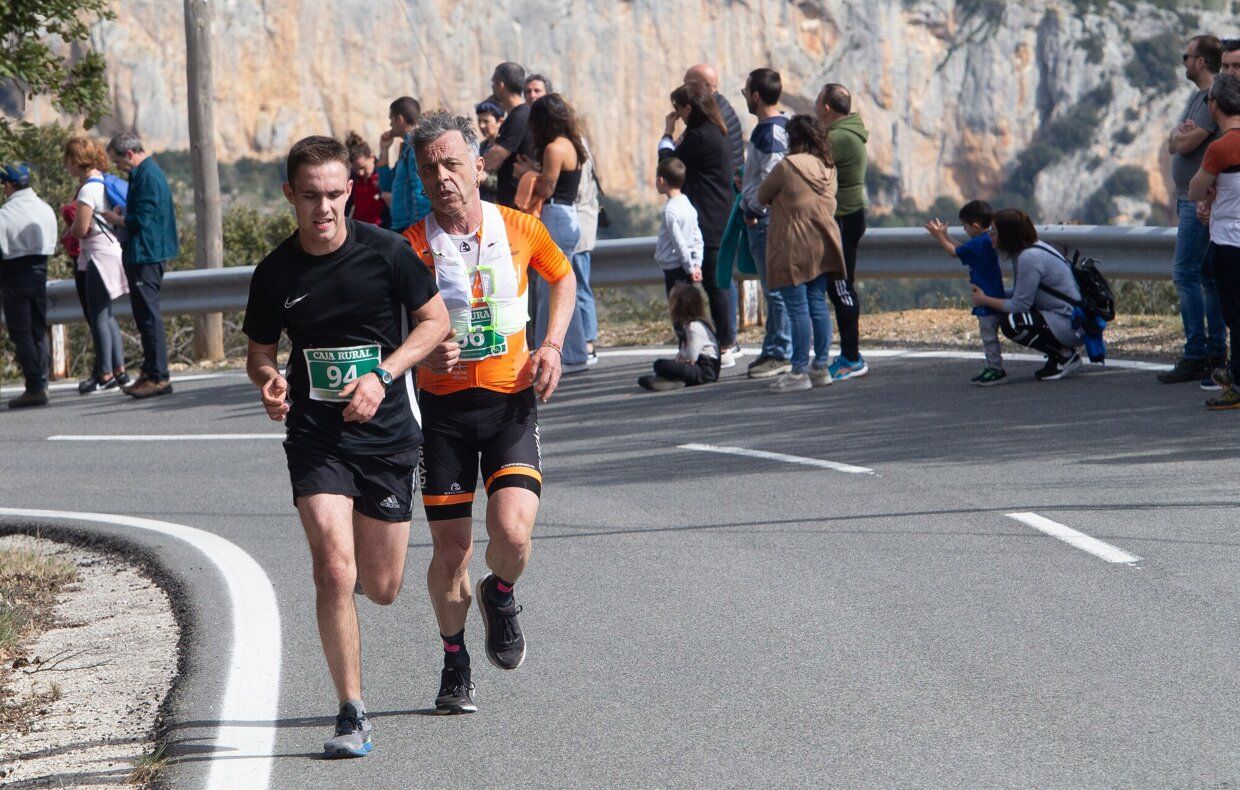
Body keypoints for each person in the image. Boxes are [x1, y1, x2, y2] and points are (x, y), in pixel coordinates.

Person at [243, 135, 450, 757]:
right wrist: (270, 380)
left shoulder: (388, 253)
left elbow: (435, 322)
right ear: (290, 197)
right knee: (334, 569)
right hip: (315, 435)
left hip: (385, 434)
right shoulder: (276, 271)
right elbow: (258, 352)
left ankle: (358, 586)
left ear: (350, 193)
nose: (325, 208)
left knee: (381, 586)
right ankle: (351, 713)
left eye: (335, 194)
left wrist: (384, 374)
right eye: (311, 196)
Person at [401, 112, 576, 716]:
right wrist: (425, 343)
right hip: (443, 414)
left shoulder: (521, 227)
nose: (443, 177)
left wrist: (551, 344)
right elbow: (389, 326)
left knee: (513, 533)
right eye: (430, 169)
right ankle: (455, 662)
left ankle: (500, 596)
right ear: (421, 180)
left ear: (480, 166)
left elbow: (564, 277)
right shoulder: (411, 247)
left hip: (510, 405)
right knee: (451, 553)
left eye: (452, 163)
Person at [756, 114, 847, 393]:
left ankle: (798, 372)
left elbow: (761, 195)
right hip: (824, 240)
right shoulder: (828, 168)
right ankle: (820, 367)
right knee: (817, 302)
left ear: (793, 139)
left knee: (797, 308)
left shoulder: (787, 166)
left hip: (793, 240)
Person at [1160, 35, 1228, 385]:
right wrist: (1177, 136)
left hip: (1197, 199)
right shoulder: (1198, 97)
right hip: (1189, 196)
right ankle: (1213, 350)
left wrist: (1179, 137)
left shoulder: (1211, 97)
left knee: (1185, 274)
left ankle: (1197, 353)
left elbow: (1184, 141)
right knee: (1205, 277)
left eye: (1186, 56)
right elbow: (1175, 140)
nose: (1183, 62)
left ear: (1200, 61)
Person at [659, 83, 737, 363]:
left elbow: (668, 166)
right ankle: (723, 342)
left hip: (706, 218)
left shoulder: (700, 136)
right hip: (718, 214)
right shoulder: (716, 129)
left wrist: (668, 133)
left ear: (689, 108)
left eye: (678, 109)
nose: (676, 114)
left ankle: (725, 344)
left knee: (711, 285)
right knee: (717, 284)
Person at [516, 93, 590, 374]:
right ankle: (576, 352)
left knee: (551, 290)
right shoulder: (572, 145)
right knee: (564, 286)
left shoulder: (553, 149)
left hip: (554, 215)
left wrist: (527, 173)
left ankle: (560, 354)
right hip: (568, 214)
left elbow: (546, 189)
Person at [104, 132, 179, 399]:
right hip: (144, 252)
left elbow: (144, 219)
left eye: (119, 162)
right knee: (143, 316)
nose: (119, 168)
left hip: (147, 254)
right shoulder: (144, 173)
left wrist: (117, 218)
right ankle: (150, 371)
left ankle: (159, 376)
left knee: (148, 316)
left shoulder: (147, 175)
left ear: (130, 154)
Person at [970, 208, 1084, 381]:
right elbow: (1020, 293)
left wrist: (985, 299)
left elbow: (1019, 305)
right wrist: (991, 296)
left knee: (1012, 323)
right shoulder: (1029, 250)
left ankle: (1064, 355)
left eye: (994, 231)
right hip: (1069, 318)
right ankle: (1061, 353)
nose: (990, 235)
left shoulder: (1029, 258)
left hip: (1070, 324)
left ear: (1008, 235)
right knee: (1010, 315)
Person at [1188, 72, 1240, 409]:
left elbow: (1194, 189)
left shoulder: (1221, 147)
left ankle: (1237, 383)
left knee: (1235, 316)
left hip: (1229, 241)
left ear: (1213, 105)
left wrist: (1209, 193)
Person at [63, 136, 131, 394]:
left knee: (98, 315)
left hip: (98, 256)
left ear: (76, 160)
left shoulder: (87, 189)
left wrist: (71, 227)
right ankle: (119, 370)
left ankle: (105, 373)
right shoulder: (103, 181)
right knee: (107, 314)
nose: (66, 166)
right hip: (111, 251)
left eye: (68, 161)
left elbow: (80, 230)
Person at [738, 68, 792, 380]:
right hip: (768, 215)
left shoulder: (769, 133)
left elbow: (774, 176)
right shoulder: (783, 125)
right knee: (774, 287)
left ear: (757, 95)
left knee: (775, 288)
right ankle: (773, 347)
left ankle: (779, 351)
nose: (745, 96)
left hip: (765, 219)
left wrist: (753, 207)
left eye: (746, 91)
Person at [816, 83, 870, 383]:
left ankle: (851, 357)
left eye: (817, 102)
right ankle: (850, 354)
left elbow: (810, 165)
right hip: (850, 215)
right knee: (842, 284)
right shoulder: (852, 132)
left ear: (826, 107)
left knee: (840, 286)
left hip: (842, 216)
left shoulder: (837, 137)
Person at [925, 200, 1007, 386]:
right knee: (988, 335)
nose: (964, 229)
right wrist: (946, 235)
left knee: (988, 336)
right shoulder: (983, 241)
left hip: (987, 299)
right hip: (989, 296)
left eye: (965, 226)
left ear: (975, 226)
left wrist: (939, 237)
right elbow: (962, 249)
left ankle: (996, 369)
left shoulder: (980, 243)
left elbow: (954, 253)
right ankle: (991, 366)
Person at [0, 164, 57, 408]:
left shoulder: (5, 213)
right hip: (40, 271)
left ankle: (34, 386)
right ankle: (41, 380)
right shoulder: (44, 208)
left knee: (20, 331)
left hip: (14, 273)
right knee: (37, 328)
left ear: (10, 185)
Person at [638, 283, 720, 391]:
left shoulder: (695, 327)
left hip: (705, 371)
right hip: (698, 368)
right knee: (652, 373)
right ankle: (674, 381)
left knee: (660, 365)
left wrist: (681, 361)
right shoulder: (687, 327)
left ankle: (677, 380)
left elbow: (691, 356)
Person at [376, 97, 431, 233]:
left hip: (409, 228)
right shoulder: (407, 147)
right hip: (401, 226)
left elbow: (420, 192)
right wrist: (384, 150)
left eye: (391, 120)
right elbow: (387, 186)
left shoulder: (415, 147)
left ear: (399, 119)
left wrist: (417, 231)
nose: (390, 126)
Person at [482, 62, 533, 208]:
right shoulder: (517, 115)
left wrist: (468, 168)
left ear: (501, 85)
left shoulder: (520, 116)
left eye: (493, 82)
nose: (492, 87)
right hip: (511, 200)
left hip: (518, 203)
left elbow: (495, 157)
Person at [684, 63, 744, 185]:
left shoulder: (711, 115)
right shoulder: (719, 104)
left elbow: (686, 154)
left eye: (687, 86)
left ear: (701, 85)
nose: (684, 91)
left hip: (719, 189)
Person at [654, 157, 704, 291]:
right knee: (688, 308)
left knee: (678, 307)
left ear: (661, 180)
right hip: (689, 265)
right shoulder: (688, 205)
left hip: (675, 268)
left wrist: (690, 268)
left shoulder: (670, 211)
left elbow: (679, 242)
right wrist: (697, 265)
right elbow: (697, 237)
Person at [573, 134, 601, 364]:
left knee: (581, 284)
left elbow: (578, 191)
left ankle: (589, 342)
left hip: (579, 226)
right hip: (578, 225)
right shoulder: (573, 142)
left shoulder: (575, 145)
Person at [345, 132, 384, 226]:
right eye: (356, 169)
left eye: (363, 167)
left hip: (382, 228)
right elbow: (347, 205)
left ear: (372, 158)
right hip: (359, 228)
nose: (360, 173)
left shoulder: (383, 176)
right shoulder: (353, 180)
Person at [475, 100, 505, 204]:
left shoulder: (507, 150)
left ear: (500, 122)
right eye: (479, 121)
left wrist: (487, 180)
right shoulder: (479, 148)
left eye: (486, 121)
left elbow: (511, 183)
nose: (481, 126)